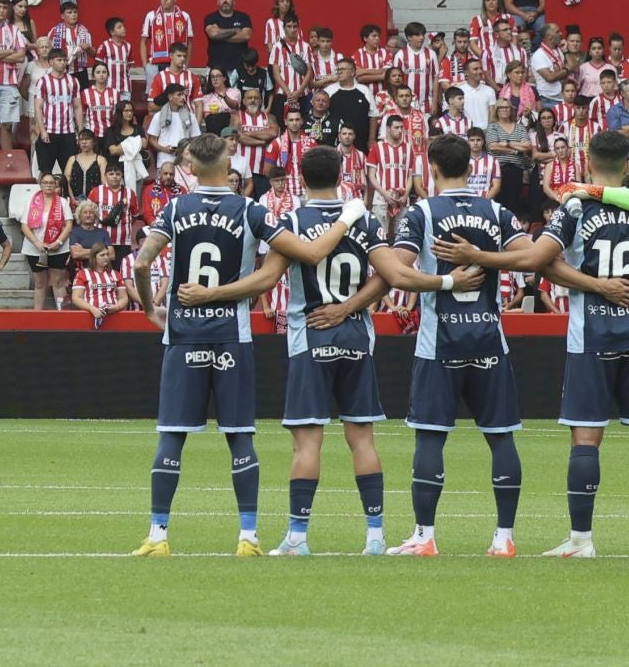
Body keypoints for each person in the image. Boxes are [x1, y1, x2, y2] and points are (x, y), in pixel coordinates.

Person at [132, 132, 360, 556]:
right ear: (228, 160)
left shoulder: (175, 207)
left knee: (172, 434)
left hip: (184, 336)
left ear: (190, 165)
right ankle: (248, 537)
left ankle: (158, 534)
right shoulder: (251, 210)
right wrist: (348, 218)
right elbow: (307, 255)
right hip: (232, 338)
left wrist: (150, 308)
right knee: (239, 435)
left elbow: (143, 262)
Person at [185, 147, 391, 555]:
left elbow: (265, 280)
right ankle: (375, 536)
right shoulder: (364, 219)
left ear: (300, 175)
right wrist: (349, 308)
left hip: (309, 338)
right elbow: (388, 276)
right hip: (355, 336)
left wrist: (213, 294)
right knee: (363, 439)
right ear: (341, 172)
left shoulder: (293, 222)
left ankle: (297, 537)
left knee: (307, 442)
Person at [376, 133, 560, 557]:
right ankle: (505, 538)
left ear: (433, 169)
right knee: (501, 438)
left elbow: (399, 273)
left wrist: (445, 279)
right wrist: (485, 256)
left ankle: (424, 536)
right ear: (473, 168)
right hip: (489, 341)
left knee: (430, 438)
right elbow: (532, 257)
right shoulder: (497, 211)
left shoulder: (421, 212)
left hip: (439, 344)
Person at [532, 132, 629, 557]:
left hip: (592, 335)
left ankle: (581, 541)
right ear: (627, 165)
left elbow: (541, 260)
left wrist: (596, 286)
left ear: (588, 160)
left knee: (586, 438)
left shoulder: (575, 204)